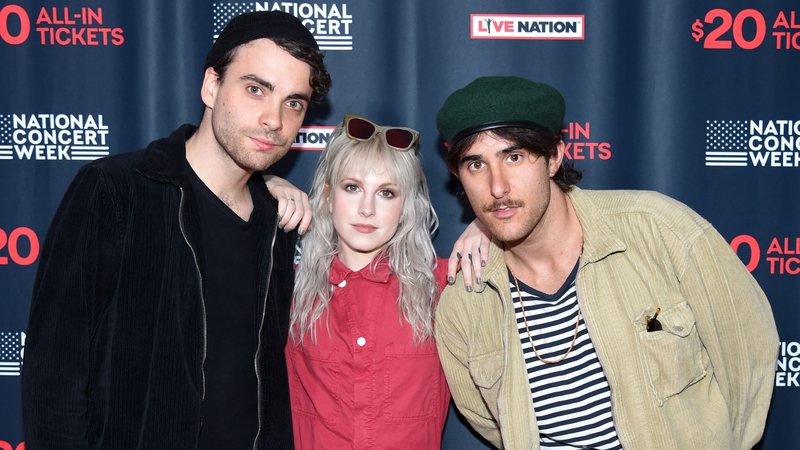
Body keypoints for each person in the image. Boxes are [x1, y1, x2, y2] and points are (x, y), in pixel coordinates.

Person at [21, 11, 329, 449]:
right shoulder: (116, 191)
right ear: (211, 86)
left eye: (293, 102)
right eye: (256, 89)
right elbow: (54, 379)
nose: (273, 119)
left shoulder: (275, 221)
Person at [434, 76, 779, 449]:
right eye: (475, 165)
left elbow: (748, 354)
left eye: (514, 157)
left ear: (553, 157)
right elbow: (492, 423)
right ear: (459, 176)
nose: (497, 187)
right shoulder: (464, 305)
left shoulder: (660, 230)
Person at [285, 115, 453, 449]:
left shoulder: (445, 285)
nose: (366, 209)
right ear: (329, 196)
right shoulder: (286, 291)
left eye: (386, 193)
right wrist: (268, 185)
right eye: (353, 188)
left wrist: (487, 231)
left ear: (406, 207)